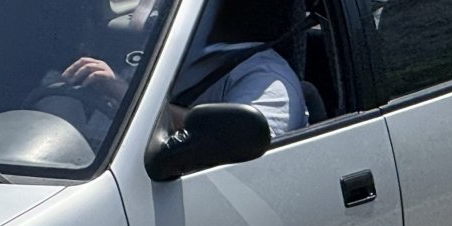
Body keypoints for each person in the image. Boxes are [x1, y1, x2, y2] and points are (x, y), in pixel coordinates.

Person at [61, 44, 307, 138]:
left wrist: (129, 98)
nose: (153, 9)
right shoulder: (149, 55)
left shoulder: (266, 77)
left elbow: (246, 143)